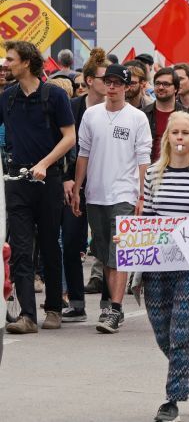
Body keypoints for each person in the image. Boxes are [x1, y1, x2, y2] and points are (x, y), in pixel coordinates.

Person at [137, 112, 189, 422]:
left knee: (181, 333)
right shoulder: (154, 173)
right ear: (167, 138)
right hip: (157, 264)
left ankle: (171, 400)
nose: (180, 138)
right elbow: (147, 218)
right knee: (163, 333)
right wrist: (129, 239)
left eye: (186, 133)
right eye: (176, 133)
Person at [2, 40, 76, 334]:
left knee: (48, 246)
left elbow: (69, 137)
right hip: (17, 182)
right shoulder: (7, 98)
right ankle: (27, 316)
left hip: (48, 181)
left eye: (10, 59)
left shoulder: (54, 96)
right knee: (21, 250)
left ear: (27, 62)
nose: (6, 64)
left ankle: (54, 308)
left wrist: (44, 164)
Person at [72, 63, 152, 333]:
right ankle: (112, 307)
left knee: (119, 253)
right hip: (96, 194)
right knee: (105, 253)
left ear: (127, 87)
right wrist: (78, 188)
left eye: (118, 83)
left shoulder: (137, 118)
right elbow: (83, 153)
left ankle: (114, 309)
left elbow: (143, 158)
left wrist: (142, 195)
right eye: (109, 82)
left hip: (124, 193)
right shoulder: (91, 115)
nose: (113, 87)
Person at [61, 50, 110, 323]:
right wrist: (66, 177)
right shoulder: (72, 107)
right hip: (74, 183)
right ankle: (76, 303)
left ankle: (109, 304)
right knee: (70, 241)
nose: (111, 84)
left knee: (105, 246)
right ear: (90, 80)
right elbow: (63, 142)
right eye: (105, 78)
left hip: (106, 184)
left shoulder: (117, 109)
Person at [143, 67, 187, 162]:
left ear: (176, 89)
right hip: (149, 168)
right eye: (157, 83)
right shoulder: (143, 115)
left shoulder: (187, 116)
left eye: (166, 84)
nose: (161, 87)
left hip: (177, 167)